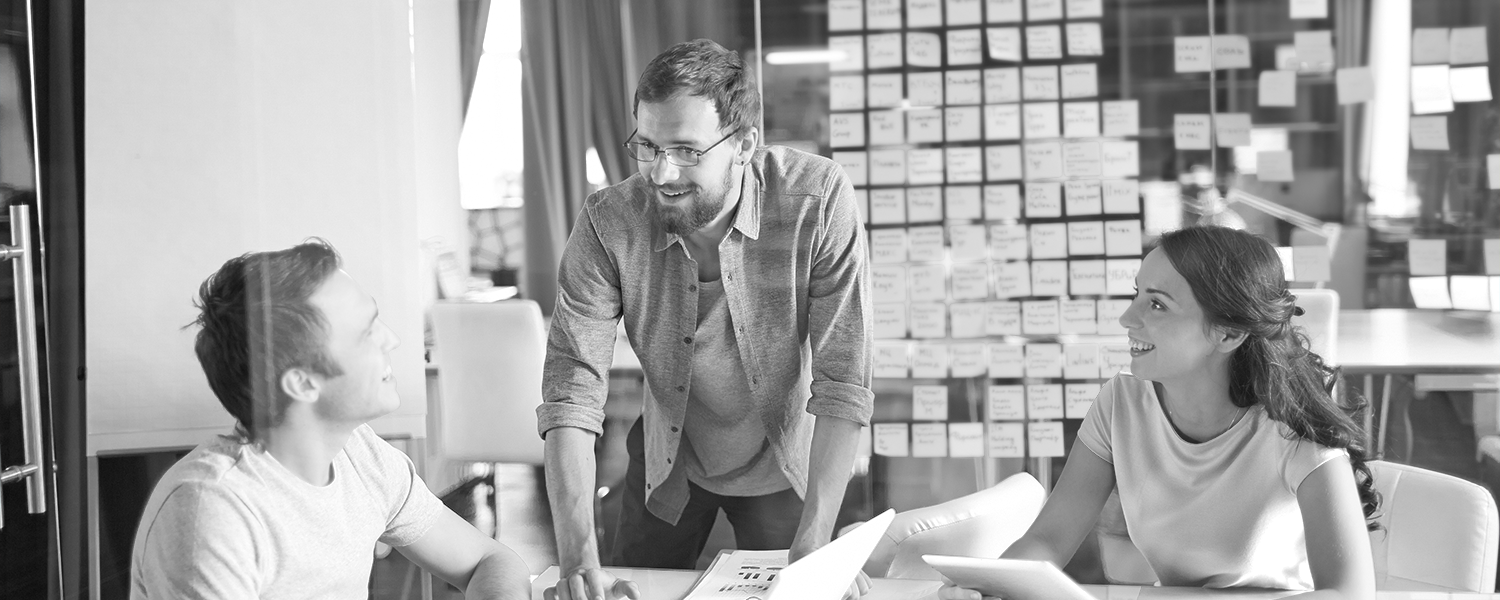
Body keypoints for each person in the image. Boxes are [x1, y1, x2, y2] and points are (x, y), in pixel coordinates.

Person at [537, 39, 873, 600]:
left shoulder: (817, 200)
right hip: (670, 461)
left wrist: (815, 542)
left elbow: (844, 381)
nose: (663, 172)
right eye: (647, 146)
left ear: (744, 143)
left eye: (687, 150)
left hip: (784, 461)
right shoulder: (609, 222)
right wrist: (575, 553)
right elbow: (572, 390)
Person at [943, 226, 1379, 599]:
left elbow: (1350, 594)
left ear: (1228, 332)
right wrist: (990, 588)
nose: (1127, 318)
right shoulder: (1121, 403)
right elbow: (1049, 539)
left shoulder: (1294, 429)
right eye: (1137, 294)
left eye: (1156, 304)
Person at [131, 240, 531, 599]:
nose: (390, 339)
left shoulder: (360, 453)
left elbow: (489, 560)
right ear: (302, 383)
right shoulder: (212, 511)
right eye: (366, 332)